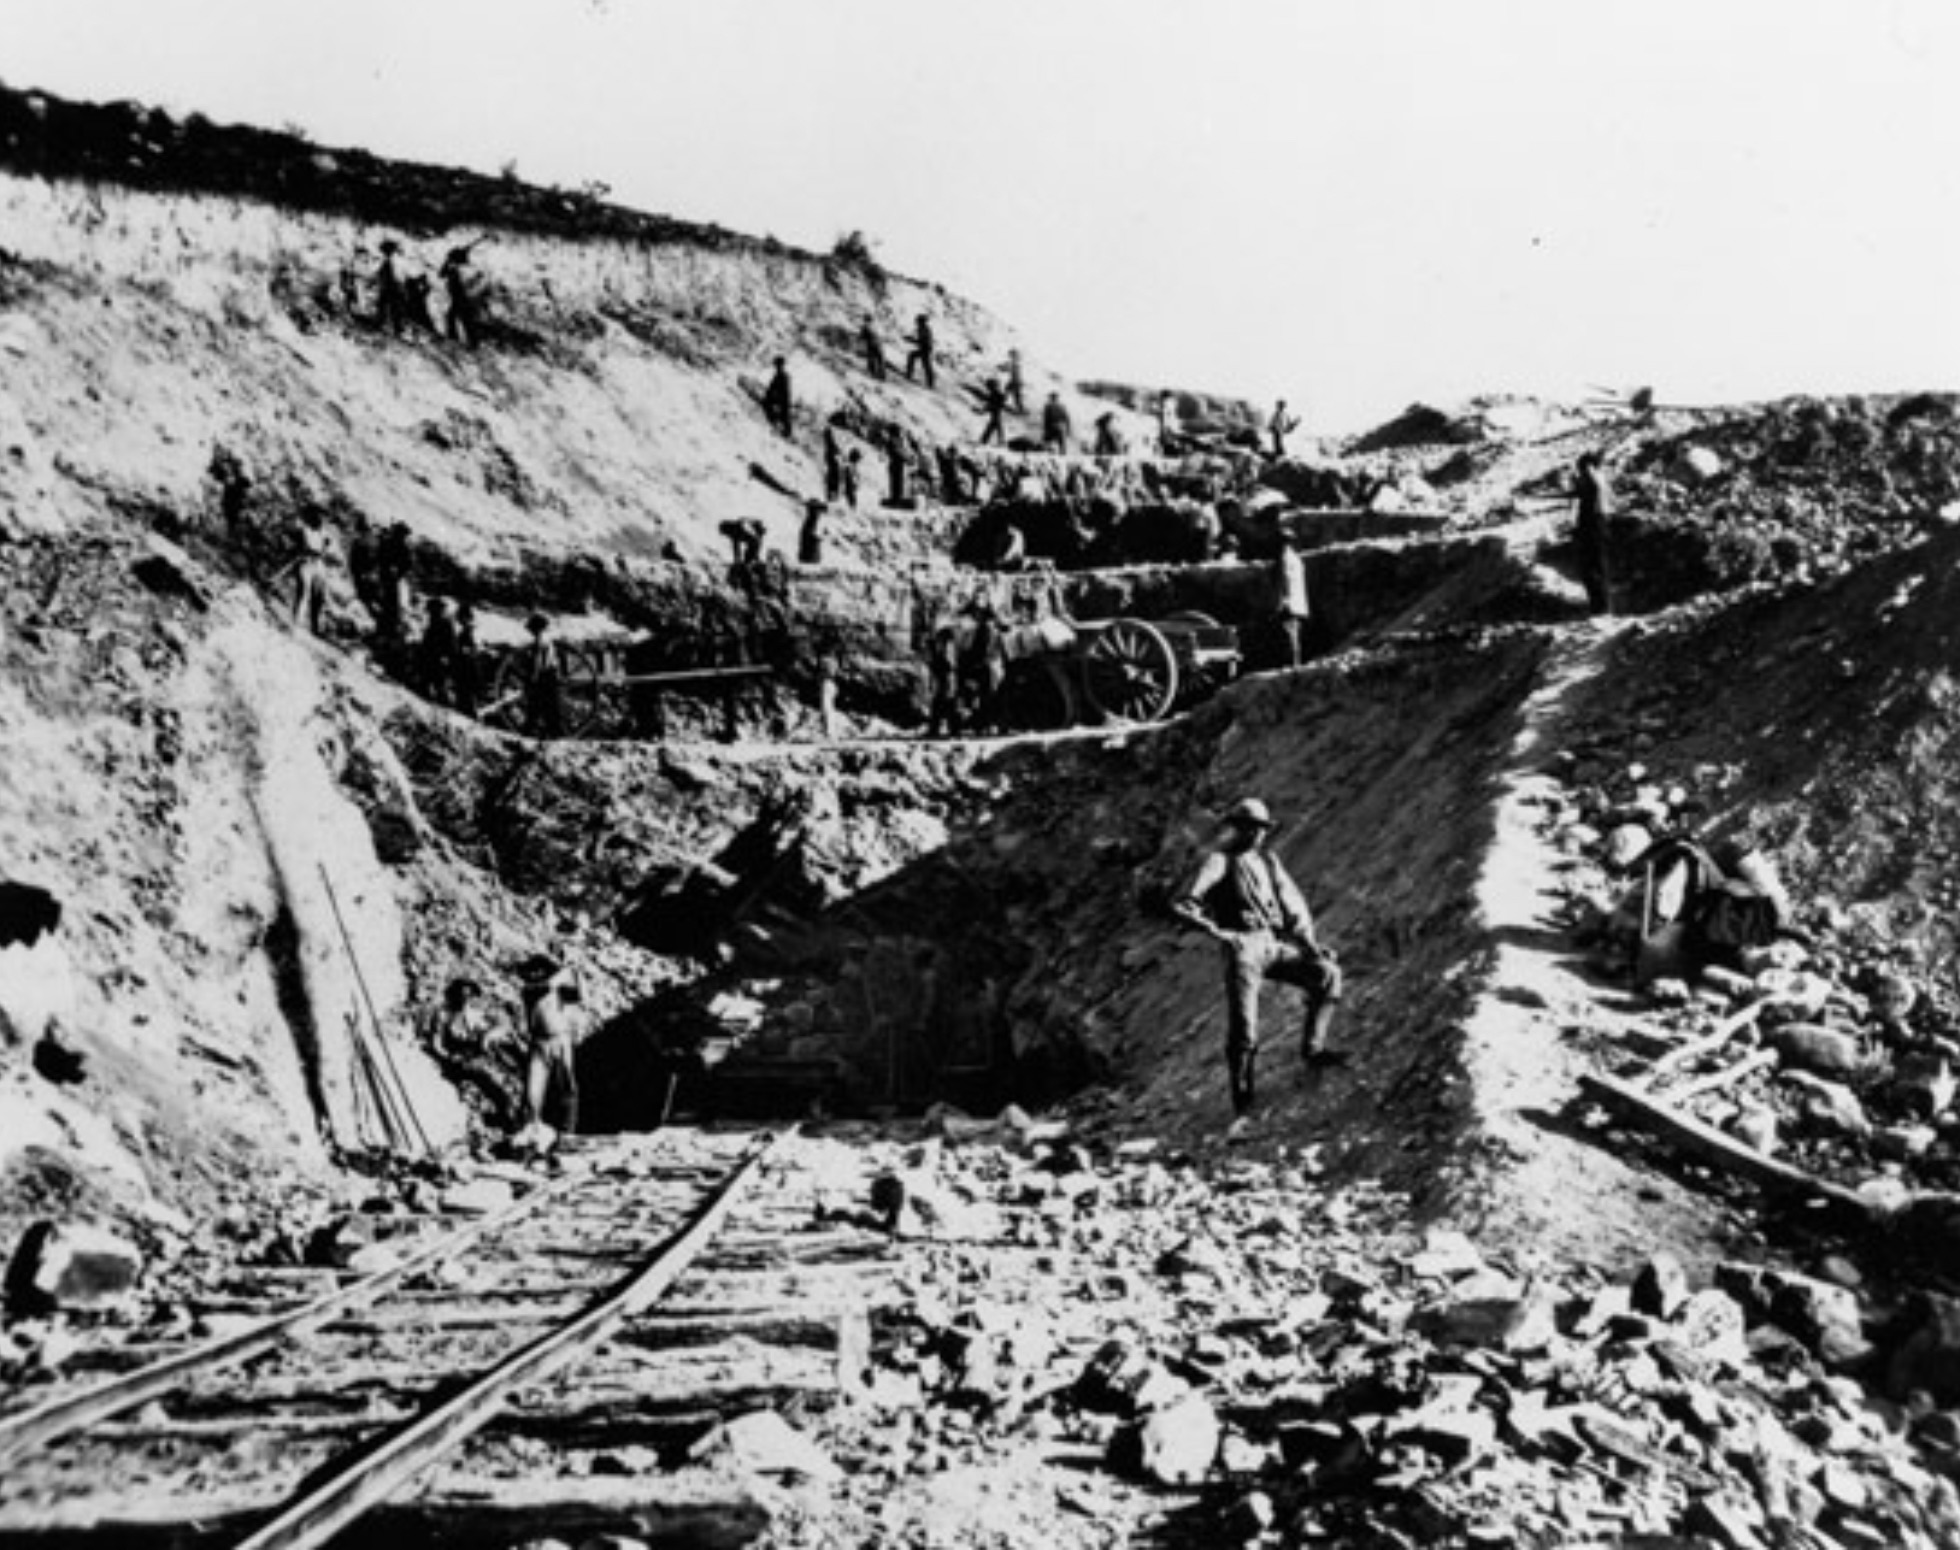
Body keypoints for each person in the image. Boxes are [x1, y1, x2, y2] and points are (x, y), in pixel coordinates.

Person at [1172, 797, 1343, 1133]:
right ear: (1235, 827)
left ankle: (1313, 1049)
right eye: (1250, 828)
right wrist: (1219, 933)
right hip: (1243, 947)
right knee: (1245, 1030)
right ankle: (1243, 1106)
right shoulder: (1219, 860)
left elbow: (1293, 908)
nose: (1256, 835)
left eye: (1261, 829)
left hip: (1272, 942)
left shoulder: (1268, 861)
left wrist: (1310, 947)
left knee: (1327, 975)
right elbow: (1183, 904)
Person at [429, 978, 516, 1129]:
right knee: (485, 1077)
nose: (466, 999)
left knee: (504, 1079)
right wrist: (448, 1056)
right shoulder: (443, 1015)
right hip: (458, 1059)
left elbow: (504, 1026)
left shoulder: (475, 1013)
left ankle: (507, 1114)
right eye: (462, 995)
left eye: (469, 995)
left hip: (480, 1055)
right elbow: (437, 1043)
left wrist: (489, 1036)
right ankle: (503, 1115)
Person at [522, 964, 585, 1140]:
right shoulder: (529, 990)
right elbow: (549, 985)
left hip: (561, 1040)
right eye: (531, 971)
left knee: (566, 1084)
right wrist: (565, 973)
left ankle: (567, 1130)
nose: (534, 973)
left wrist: (578, 975)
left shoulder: (558, 991)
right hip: (539, 1042)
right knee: (533, 1088)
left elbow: (580, 996)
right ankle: (532, 1127)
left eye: (537, 970)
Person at [1573, 450, 1616, 615]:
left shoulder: (1594, 480)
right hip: (1600, 523)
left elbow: (1590, 490)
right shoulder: (1602, 480)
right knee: (1599, 567)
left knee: (1591, 568)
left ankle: (1600, 609)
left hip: (1592, 524)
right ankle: (1603, 607)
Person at [521, 613, 565, 738]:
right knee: (551, 709)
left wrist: (533, 678)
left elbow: (539, 661)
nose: (530, 632)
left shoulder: (540, 641)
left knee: (535, 708)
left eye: (532, 629)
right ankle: (554, 735)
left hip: (544, 677)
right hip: (551, 676)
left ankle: (529, 734)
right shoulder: (548, 640)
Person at [289, 512, 332, 635]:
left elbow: (326, 543)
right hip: (306, 563)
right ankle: (297, 622)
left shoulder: (322, 531)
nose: (320, 522)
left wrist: (322, 550)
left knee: (318, 595)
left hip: (318, 564)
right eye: (318, 520)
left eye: (321, 521)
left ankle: (315, 626)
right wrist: (308, 551)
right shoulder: (305, 530)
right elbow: (303, 545)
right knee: (303, 592)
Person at [1275, 537, 1309, 667]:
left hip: (1289, 603)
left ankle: (1292, 663)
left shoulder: (1284, 558)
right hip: (1299, 602)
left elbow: (1285, 579)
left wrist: (1284, 600)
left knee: (1288, 634)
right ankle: (1295, 662)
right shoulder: (1296, 559)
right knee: (1295, 633)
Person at [417, 597, 458, 705]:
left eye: (433, 610)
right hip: (433, 655)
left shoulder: (445, 623)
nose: (431, 613)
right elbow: (427, 640)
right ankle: (432, 693)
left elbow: (451, 643)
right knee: (432, 677)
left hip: (439, 656)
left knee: (438, 679)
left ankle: (441, 697)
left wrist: (447, 656)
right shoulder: (435, 621)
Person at [439, 244, 480, 348]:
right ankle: (469, 342)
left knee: (456, 318)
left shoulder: (457, 271)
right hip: (459, 298)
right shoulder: (454, 269)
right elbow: (441, 274)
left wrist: (447, 261)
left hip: (460, 298)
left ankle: (456, 339)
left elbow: (442, 274)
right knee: (462, 319)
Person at [926, 624, 962, 738]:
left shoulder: (948, 647)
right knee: (947, 704)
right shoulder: (949, 646)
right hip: (946, 677)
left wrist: (935, 665)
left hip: (945, 677)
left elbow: (949, 664)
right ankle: (951, 730)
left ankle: (939, 729)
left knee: (944, 704)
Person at [451, 600, 481, 715]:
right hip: (465, 667)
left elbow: (472, 650)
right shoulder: (467, 631)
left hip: (468, 668)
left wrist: (461, 651)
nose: (460, 621)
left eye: (462, 618)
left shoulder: (469, 632)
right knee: (464, 695)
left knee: (467, 695)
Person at [374, 239, 409, 333]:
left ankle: (383, 324)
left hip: (391, 286)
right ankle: (397, 327)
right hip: (396, 286)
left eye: (384, 250)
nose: (383, 252)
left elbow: (389, 274)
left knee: (386, 305)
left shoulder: (389, 261)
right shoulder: (396, 260)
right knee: (394, 307)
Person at [763, 356, 794, 439]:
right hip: (782, 400)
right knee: (783, 417)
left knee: (783, 417)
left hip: (781, 400)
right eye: (776, 365)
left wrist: (774, 399)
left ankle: (786, 434)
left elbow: (781, 391)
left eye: (777, 365)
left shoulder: (782, 376)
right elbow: (772, 388)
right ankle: (785, 432)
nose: (776, 367)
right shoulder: (781, 376)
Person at [903, 313, 936, 389]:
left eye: (918, 321)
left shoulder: (924, 330)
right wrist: (912, 339)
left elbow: (922, 341)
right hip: (925, 348)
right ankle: (930, 382)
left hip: (925, 349)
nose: (917, 323)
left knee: (925, 364)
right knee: (925, 364)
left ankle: (929, 383)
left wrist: (911, 340)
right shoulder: (922, 329)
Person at [979, 377, 1008, 446]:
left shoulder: (995, 394)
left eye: (988, 387)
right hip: (995, 412)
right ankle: (999, 441)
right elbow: (991, 403)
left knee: (994, 426)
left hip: (995, 412)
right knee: (996, 426)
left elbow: (990, 403)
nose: (988, 388)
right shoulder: (995, 394)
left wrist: (983, 410)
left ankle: (985, 440)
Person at [798, 498, 827, 565]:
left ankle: (809, 556)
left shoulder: (811, 521)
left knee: (809, 529)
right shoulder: (812, 520)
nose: (820, 514)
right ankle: (810, 557)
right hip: (809, 558)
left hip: (808, 557)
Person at [823, 423, 844, 502]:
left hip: (831, 461)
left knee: (832, 477)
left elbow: (833, 447)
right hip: (831, 461)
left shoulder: (828, 442)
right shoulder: (829, 442)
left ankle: (832, 495)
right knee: (833, 477)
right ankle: (832, 495)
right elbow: (834, 448)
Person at [1005, 348, 1026, 413]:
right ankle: (1020, 408)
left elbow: (1011, 370)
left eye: (1010, 354)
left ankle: (1020, 409)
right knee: (1015, 395)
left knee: (1016, 395)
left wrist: (1003, 367)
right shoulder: (1015, 361)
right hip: (1015, 381)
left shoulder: (1014, 362)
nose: (1009, 356)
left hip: (1015, 381)